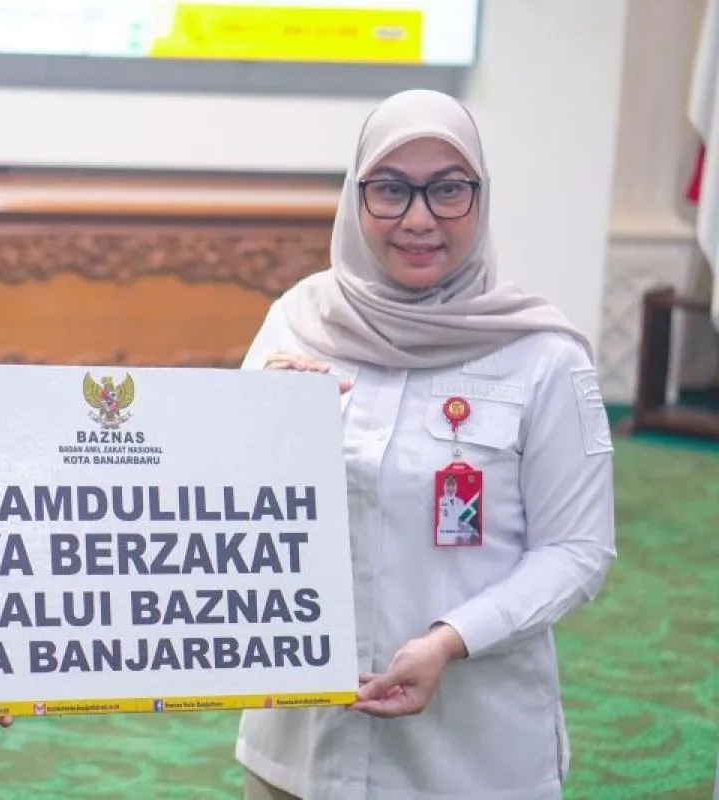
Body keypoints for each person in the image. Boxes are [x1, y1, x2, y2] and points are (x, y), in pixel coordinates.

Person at [237, 90, 616, 800]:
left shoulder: (543, 357)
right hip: (301, 749)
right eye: (390, 189)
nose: (418, 219)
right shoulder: (295, 325)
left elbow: (577, 550)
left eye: (447, 189)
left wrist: (452, 638)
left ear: (480, 197)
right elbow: (220, 511)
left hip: (471, 757)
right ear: (355, 197)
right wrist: (266, 423)